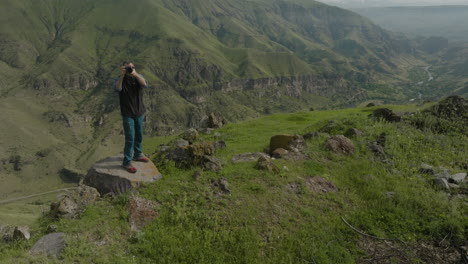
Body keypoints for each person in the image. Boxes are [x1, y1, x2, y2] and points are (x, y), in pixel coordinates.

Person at [114, 61, 150, 173]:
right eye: (128, 68)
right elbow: (117, 88)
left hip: (139, 112)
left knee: (139, 134)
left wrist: (135, 74)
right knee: (130, 138)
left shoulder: (138, 77)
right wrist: (122, 75)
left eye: (132, 67)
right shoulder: (120, 79)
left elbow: (144, 84)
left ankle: (138, 154)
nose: (130, 69)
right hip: (127, 113)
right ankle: (127, 162)